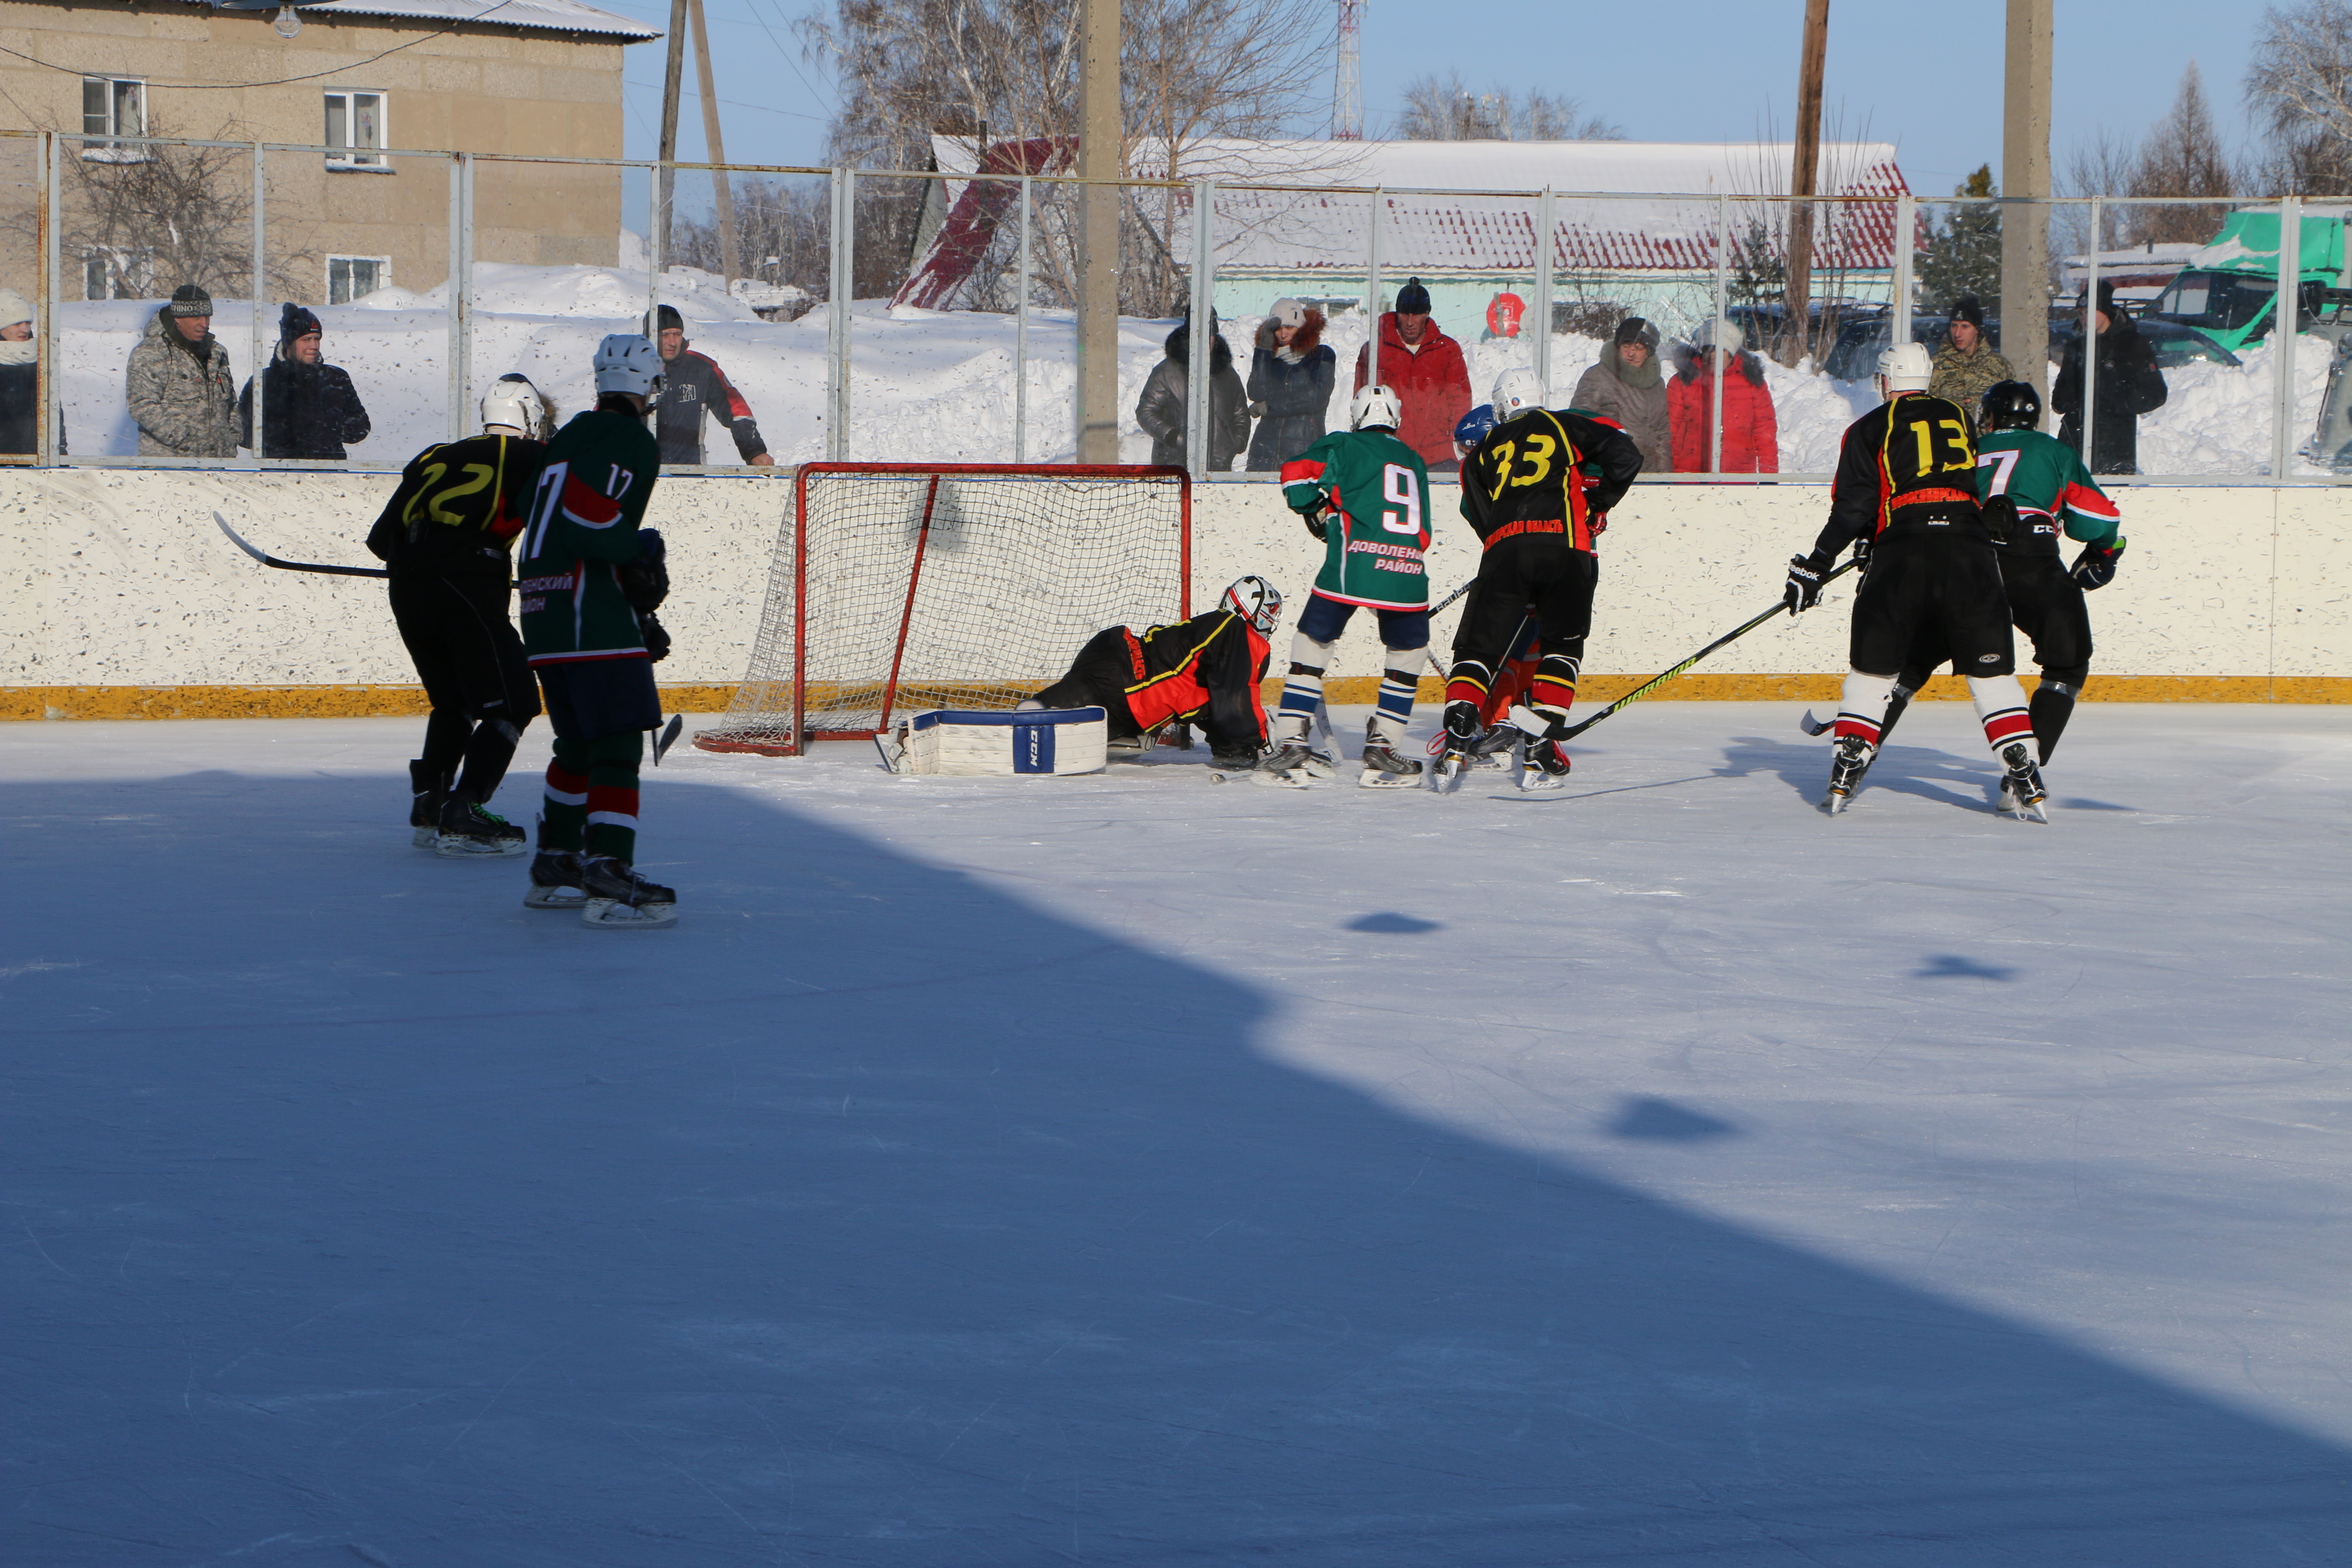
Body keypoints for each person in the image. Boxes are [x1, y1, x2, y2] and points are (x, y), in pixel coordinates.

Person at [1781, 343, 2047, 819]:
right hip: (1970, 549)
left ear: (1885, 381)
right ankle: (2023, 766)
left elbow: (1855, 506)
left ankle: (1848, 764)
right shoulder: (1960, 417)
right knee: (1992, 672)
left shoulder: (1868, 427)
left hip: (1904, 551)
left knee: (1875, 669)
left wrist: (1816, 564)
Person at [1869, 379, 2124, 769]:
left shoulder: (1965, 449)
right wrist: (2106, 551)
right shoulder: (2055, 450)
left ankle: (1858, 753)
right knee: (2067, 663)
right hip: (2030, 558)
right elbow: (2095, 520)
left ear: (1989, 417)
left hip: (1963, 555)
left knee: (1915, 660)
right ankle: (2024, 777)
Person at [515, 335, 677, 928]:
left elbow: (533, 506)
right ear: (647, 387)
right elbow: (588, 515)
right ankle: (608, 867)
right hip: (590, 617)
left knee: (577, 747)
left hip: (544, 613)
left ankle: (557, 860)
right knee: (615, 746)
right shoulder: (629, 437)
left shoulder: (567, 437)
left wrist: (634, 601)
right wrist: (634, 554)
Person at [365, 373, 555, 856]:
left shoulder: (434, 454)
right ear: (532, 419)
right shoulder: (534, 456)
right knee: (513, 703)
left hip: (407, 587)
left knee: (455, 702)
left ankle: (430, 805)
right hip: (467, 583)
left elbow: (380, 542)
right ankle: (464, 808)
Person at [1437, 368, 1644, 790]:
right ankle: (1540, 746)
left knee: (1480, 649)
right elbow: (1627, 453)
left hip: (1505, 553)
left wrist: (1504, 545)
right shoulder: (1565, 424)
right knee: (1560, 648)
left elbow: (1477, 514)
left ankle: (1460, 731)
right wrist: (1598, 504)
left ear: (1502, 406)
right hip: (1568, 549)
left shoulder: (1483, 451)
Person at [1266, 383, 1434, 788]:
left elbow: (1295, 480)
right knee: (1409, 655)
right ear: (1395, 419)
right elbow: (1424, 533)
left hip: (1351, 568)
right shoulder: (1414, 459)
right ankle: (1383, 745)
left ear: (1357, 418)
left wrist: (1320, 510)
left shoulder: (1343, 444)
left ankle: (1291, 740)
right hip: (1408, 573)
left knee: (1312, 643)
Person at [1021, 576, 1280, 774]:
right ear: (1255, 607)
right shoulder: (1237, 631)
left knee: (1059, 729)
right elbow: (1235, 701)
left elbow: (1214, 706)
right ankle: (1026, 722)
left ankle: (1031, 717)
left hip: (1120, 670)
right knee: (1038, 722)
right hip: (1127, 679)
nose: (1273, 618)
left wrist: (1235, 750)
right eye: (1272, 609)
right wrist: (1262, 744)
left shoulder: (1216, 633)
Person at [1351, 277, 1472, 473]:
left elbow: (1460, 400)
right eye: (1404, 314)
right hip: (1391, 454)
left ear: (1427, 314)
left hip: (1440, 455)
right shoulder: (1376, 349)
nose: (1409, 322)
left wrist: (1456, 443)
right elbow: (1363, 399)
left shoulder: (1447, 350)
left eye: (1416, 315)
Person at [2052, 282, 2167, 474]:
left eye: (2089, 312)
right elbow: (2061, 400)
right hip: (2075, 441)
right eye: (2080, 314)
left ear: (2105, 312)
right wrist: (2070, 400)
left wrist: (2117, 402)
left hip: (2114, 446)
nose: (2084, 319)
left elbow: (2156, 393)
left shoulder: (2132, 344)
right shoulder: (2076, 347)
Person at [238, 303, 371, 460]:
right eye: (306, 340)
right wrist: (280, 434)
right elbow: (241, 432)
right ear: (289, 342)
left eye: (317, 339)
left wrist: (332, 430)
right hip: (279, 474)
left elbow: (361, 426)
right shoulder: (264, 381)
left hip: (330, 473)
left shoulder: (335, 377)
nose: (314, 346)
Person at [647, 303, 772, 466]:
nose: (673, 342)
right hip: (638, 474)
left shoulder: (702, 369)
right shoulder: (632, 369)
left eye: (677, 334)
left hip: (689, 474)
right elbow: (608, 417)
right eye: (665, 335)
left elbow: (737, 411)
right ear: (650, 335)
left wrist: (755, 452)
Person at [125, 283, 237, 458]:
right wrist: (185, 440)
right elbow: (142, 405)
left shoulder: (216, 352)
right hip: (170, 466)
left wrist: (232, 436)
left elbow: (230, 401)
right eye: (197, 318)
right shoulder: (152, 353)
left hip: (217, 463)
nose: (204, 324)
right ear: (178, 318)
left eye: (208, 317)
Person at [1136, 308, 1249, 470]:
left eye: (1208, 338)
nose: (1203, 343)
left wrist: (1237, 442)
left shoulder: (1227, 375)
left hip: (1218, 469)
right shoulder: (1168, 371)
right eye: (1197, 337)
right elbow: (1146, 412)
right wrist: (1173, 437)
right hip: (1174, 469)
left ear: (1215, 339)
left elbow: (1241, 414)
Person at [1668, 318, 1778, 474]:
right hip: (1690, 475)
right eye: (1708, 350)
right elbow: (1669, 431)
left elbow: (1765, 433)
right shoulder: (1683, 382)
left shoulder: (1752, 384)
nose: (1713, 356)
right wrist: (1665, 476)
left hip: (1738, 477)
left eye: (1721, 350)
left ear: (1732, 353)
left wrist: (1770, 477)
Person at [1243, 298, 1335, 472]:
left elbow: (1315, 399)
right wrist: (1263, 349)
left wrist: (1269, 408)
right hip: (1264, 451)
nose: (1283, 334)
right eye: (1278, 329)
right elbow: (1256, 394)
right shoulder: (1269, 358)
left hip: (1303, 449)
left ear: (1301, 327)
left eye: (1290, 328)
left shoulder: (1321, 355)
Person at [1570, 317, 1670, 472]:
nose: (1632, 353)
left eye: (1639, 348)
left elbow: (1662, 435)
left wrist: (1665, 478)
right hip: (1609, 474)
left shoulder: (1657, 384)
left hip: (1647, 475)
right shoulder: (1599, 376)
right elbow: (1578, 424)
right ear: (1617, 347)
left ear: (1648, 353)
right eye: (1627, 345)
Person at [1926, 295, 2014, 424]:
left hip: (1986, 442)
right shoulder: (1934, 365)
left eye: (1965, 326)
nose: (1958, 334)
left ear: (1977, 329)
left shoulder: (1999, 365)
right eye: (1954, 326)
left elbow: (2010, 410)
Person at [0, 287, 45, 457]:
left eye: (28, 323)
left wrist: (58, 451)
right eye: (17, 324)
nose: (25, 330)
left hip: (35, 456)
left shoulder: (41, 357)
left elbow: (53, 410)